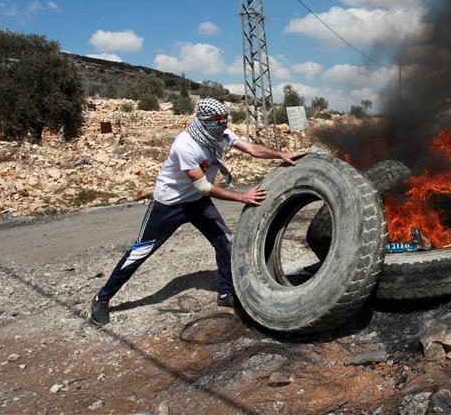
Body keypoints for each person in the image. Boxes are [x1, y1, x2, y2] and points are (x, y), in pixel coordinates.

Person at [90, 98, 304, 326]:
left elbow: (251, 149)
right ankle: (101, 299)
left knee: (224, 242)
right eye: (218, 123)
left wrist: (280, 154)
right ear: (204, 122)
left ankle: (225, 293)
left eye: (224, 123)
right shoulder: (186, 145)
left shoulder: (218, 134)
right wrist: (242, 197)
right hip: (169, 205)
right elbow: (203, 186)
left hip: (198, 203)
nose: (222, 128)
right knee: (140, 252)